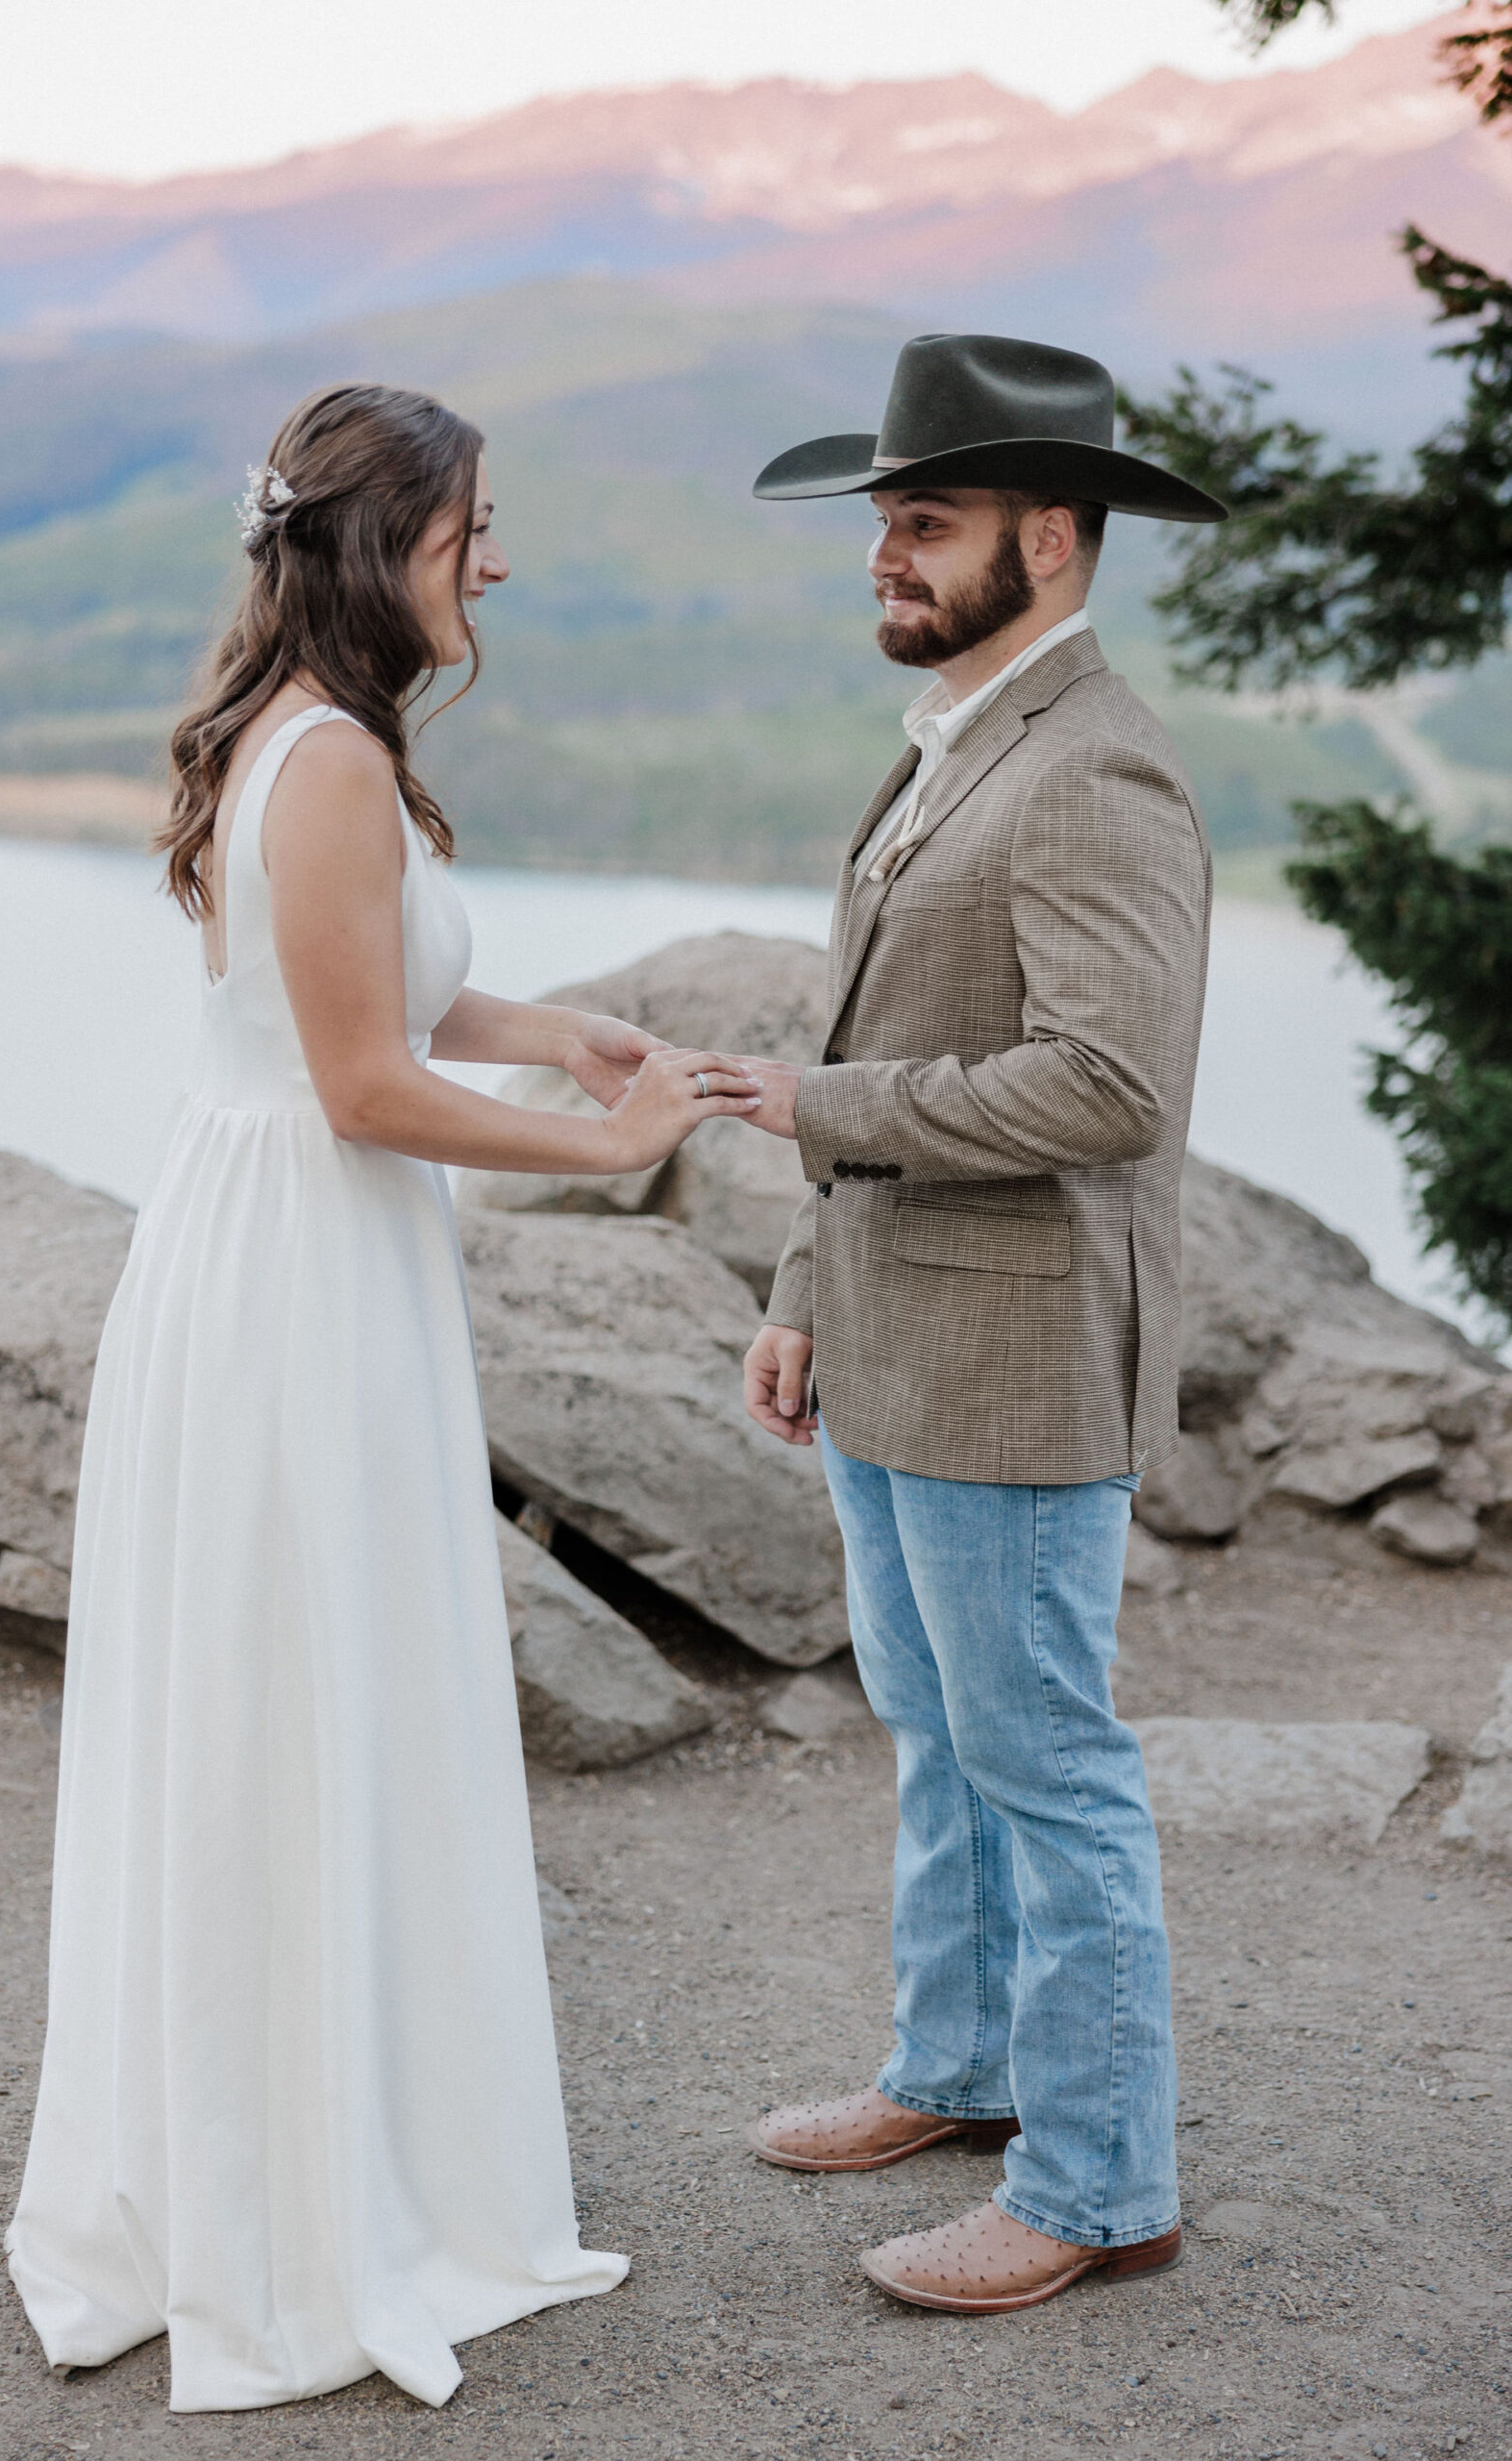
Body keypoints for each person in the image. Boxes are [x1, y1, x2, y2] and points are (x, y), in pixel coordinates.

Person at [5, 382, 761, 2412]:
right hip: (299, 1271)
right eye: (467, 529)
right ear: (376, 546)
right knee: (305, 1701)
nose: (491, 559)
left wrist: (552, 1024)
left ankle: (286, 2162)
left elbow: (373, 1001)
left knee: (294, 1700)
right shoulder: (329, 760)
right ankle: (310, 2212)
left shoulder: (308, 744)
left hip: (287, 1253)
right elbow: (355, 1083)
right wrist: (608, 1148)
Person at [735, 334, 1226, 2315]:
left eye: (920, 522)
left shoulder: (1094, 759)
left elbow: (1108, 1083)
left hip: (1020, 1352)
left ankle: (1100, 2182)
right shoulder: (957, 733)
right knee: (936, 1737)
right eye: (878, 520)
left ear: (1048, 532)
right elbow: (893, 1027)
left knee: (1044, 1761)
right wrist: (798, 1281)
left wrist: (813, 1116)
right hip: (890, 1329)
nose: (884, 553)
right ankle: (954, 2074)